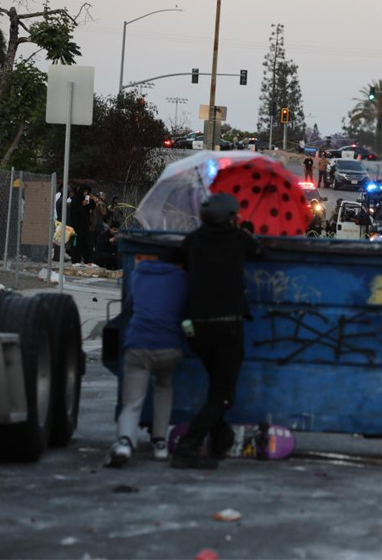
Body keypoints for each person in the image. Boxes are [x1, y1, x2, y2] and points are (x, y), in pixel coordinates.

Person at [169, 193, 261, 469]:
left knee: (216, 388)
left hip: (196, 329)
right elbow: (259, 251)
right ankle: (188, 446)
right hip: (227, 328)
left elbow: (175, 256)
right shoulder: (237, 239)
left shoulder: (194, 239)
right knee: (223, 395)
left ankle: (220, 441)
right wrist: (246, 232)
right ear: (230, 217)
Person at [105, 257, 188, 468]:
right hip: (168, 346)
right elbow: (185, 312)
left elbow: (129, 307)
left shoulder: (138, 274)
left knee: (133, 400)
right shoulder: (181, 278)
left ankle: (125, 442)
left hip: (138, 345)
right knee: (163, 386)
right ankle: (160, 442)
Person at [69, 186, 95, 263]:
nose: (85, 193)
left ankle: (88, 260)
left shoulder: (86, 199)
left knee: (87, 244)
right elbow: (74, 212)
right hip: (76, 227)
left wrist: (91, 199)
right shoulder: (75, 199)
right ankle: (76, 260)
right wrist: (82, 205)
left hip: (85, 226)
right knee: (77, 244)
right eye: (85, 191)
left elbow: (92, 207)